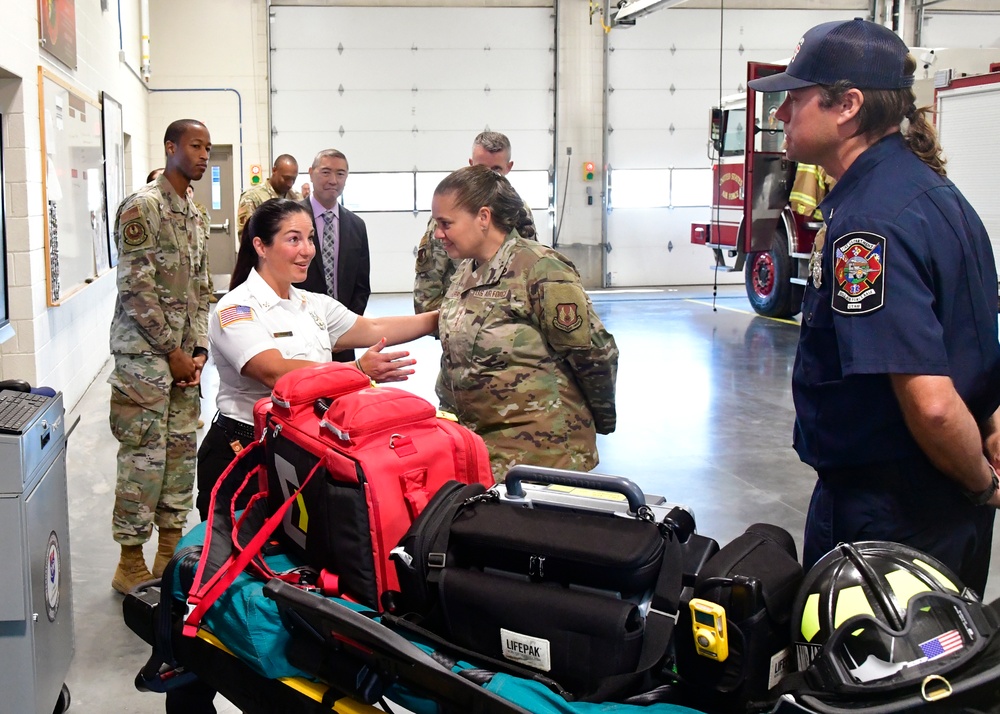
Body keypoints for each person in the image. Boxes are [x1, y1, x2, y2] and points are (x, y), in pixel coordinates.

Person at [748, 18, 1000, 595]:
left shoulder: (867, 223)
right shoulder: (936, 194)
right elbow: (972, 345)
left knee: (863, 677)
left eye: (795, 98)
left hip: (886, 517)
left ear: (847, 106)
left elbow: (933, 405)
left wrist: (983, 486)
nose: (781, 115)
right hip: (943, 508)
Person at [165, 198, 435, 713]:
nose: (306, 249)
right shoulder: (235, 309)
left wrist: (440, 318)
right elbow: (273, 372)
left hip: (299, 457)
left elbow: (371, 327)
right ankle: (193, 689)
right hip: (242, 454)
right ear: (260, 246)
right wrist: (360, 374)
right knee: (227, 574)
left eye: (309, 238)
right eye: (292, 238)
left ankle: (279, 677)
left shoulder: (311, 305)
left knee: (290, 573)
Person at [432, 165, 618, 481]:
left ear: (483, 217)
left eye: (446, 223)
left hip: (544, 456)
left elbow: (594, 354)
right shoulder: (467, 271)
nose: (438, 234)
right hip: (481, 452)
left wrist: (595, 421)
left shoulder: (539, 268)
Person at [108, 119, 213, 594]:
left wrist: (199, 350)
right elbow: (136, 288)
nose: (204, 155)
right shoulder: (142, 208)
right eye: (195, 145)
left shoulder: (193, 213)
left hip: (182, 363)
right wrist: (172, 351)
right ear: (170, 147)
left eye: (208, 148)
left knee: (179, 456)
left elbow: (202, 286)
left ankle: (169, 552)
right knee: (142, 460)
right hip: (145, 364)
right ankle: (130, 561)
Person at [414, 131, 534, 314]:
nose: (488, 175)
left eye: (496, 169)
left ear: (508, 167)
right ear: (470, 164)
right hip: (461, 315)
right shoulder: (449, 214)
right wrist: (451, 323)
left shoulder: (519, 211)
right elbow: (429, 281)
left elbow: (530, 267)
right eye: (481, 167)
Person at [295, 149, 371, 363]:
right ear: (311, 173)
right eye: (326, 172)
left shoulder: (356, 226)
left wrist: (346, 328)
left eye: (340, 174)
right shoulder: (290, 219)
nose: (333, 180)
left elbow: (361, 285)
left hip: (343, 338)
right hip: (299, 336)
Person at [236, 154, 302, 233]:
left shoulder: (297, 198)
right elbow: (246, 236)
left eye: (293, 179)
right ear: (274, 170)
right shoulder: (252, 197)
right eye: (286, 178)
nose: (290, 184)